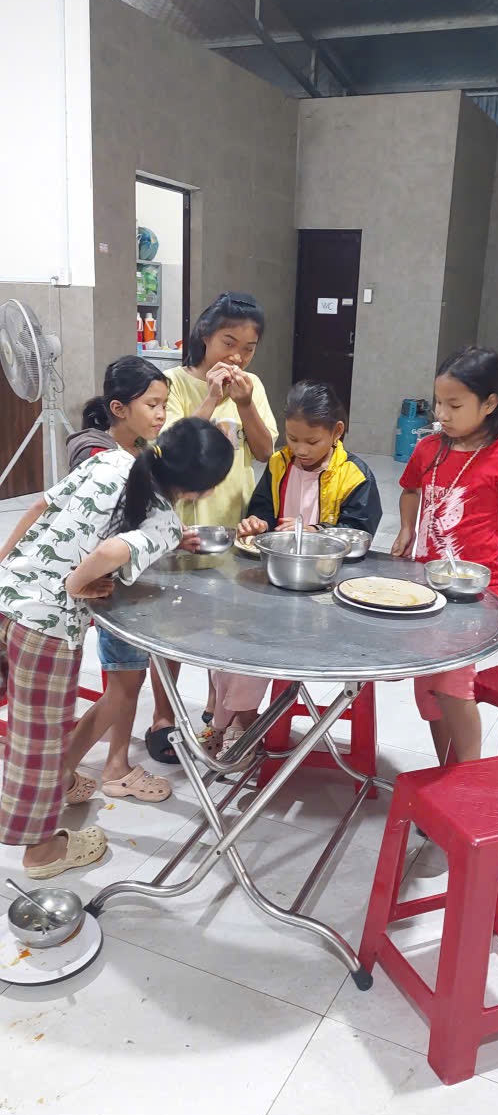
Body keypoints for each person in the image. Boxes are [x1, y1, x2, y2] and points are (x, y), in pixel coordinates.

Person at [0, 417, 233, 879]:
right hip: (46, 629)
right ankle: (41, 854)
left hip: (7, 595)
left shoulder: (108, 460)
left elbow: (42, 507)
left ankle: (35, 804)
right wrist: (76, 582)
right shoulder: (163, 521)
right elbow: (110, 553)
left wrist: (6, 564)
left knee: (20, 725)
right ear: (203, 490)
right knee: (39, 743)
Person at [210, 380, 383, 765]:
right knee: (228, 634)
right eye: (292, 439)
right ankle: (226, 718)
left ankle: (243, 723)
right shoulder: (279, 464)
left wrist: (317, 532)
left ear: (337, 432)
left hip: (325, 597)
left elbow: (360, 535)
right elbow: (261, 513)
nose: (301, 450)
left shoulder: (354, 475)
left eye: (312, 441)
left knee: (256, 643)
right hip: (278, 583)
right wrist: (256, 524)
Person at [146, 291, 278, 764]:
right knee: (172, 623)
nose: (237, 357)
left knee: (225, 619)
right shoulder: (173, 383)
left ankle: (215, 710)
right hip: (182, 523)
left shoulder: (252, 386)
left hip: (232, 520)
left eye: (248, 348)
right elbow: (167, 452)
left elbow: (264, 451)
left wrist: (244, 405)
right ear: (205, 335)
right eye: (228, 342)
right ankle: (163, 716)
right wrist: (211, 399)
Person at [391, 346, 498, 767]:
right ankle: (449, 771)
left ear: (489, 404)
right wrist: (407, 527)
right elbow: (410, 491)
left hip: (476, 592)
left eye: (454, 405)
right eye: (439, 403)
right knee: (429, 688)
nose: (442, 414)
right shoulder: (429, 449)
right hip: (426, 583)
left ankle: (469, 775)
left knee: (453, 685)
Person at [65, 357, 200, 804]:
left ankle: (112, 765)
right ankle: (70, 772)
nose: (162, 414)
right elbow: (110, 532)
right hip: (108, 587)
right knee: (123, 686)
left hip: (125, 582)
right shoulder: (97, 454)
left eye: (164, 404)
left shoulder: (138, 450)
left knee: (126, 682)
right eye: (153, 405)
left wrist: (171, 536)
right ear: (119, 408)